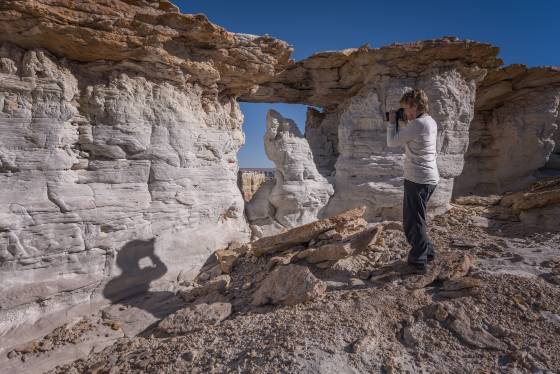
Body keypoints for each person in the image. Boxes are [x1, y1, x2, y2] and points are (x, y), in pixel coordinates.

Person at [386, 89, 439, 274]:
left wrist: (392, 123)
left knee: (412, 222)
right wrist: (406, 120)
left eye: (406, 108)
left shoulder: (417, 124)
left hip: (417, 178)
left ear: (416, 106)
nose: (404, 112)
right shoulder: (430, 121)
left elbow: (392, 142)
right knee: (418, 218)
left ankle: (418, 261)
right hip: (429, 178)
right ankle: (429, 253)